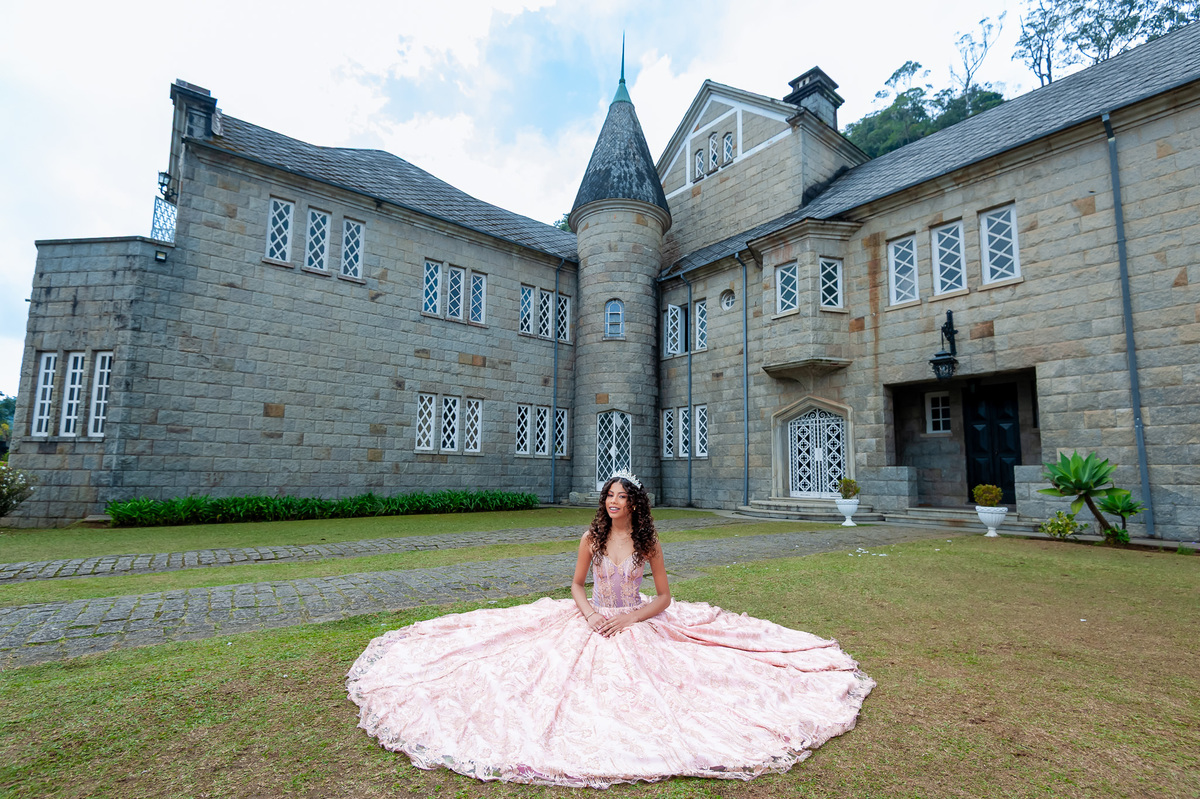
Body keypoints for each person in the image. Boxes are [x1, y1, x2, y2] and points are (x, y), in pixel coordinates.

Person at [346, 471, 874, 788]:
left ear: (634, 504)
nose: (613, 502)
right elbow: (575, 586)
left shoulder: (649, 542)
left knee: (678, 687)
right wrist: (594, 614)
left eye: (621, 497)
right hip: (591, 617)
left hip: (637, 621)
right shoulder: (591, 538)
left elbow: (665, 596)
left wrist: (631, 615)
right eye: (609, 496)